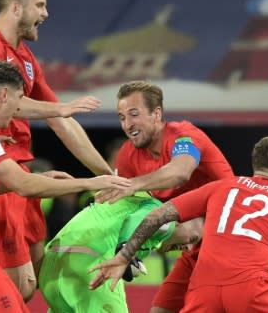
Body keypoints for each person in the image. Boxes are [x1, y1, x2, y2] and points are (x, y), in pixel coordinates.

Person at [0, 0, 113, 301]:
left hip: (21, 177)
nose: (46, 13)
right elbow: (4, 100)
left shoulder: (26, 59)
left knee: (29, 285)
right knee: (12, 289)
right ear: (16, 7)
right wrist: (63, 107)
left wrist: (109, 176)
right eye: (40, 5)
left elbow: (61, 122)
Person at [0, 59, 131, 313]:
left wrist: (46, 177)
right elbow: (24, 184)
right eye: (18, 100)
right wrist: (91, 182)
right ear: (3, 94)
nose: (18, 110)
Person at [90, 136, 268, 313]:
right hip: (253, 289)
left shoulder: (221, 186)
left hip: (203, 290)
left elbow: (157, 216)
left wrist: (125, 255)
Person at [95, 80, 234, 313]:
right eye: (121, 118)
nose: (128, 125)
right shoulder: (128, 155)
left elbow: (180, 172)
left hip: (228, 245)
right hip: (195, 248)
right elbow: (128, 210)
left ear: (156, 113)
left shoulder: (184, 136)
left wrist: (132, 184)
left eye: (134, 114)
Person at [39, 191, 203, 313]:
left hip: (51, 269)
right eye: (193, 239)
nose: (188, 249)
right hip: (90, 266)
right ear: (183, 216)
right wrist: (125, 252)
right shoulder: (164, 218)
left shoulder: (136, 206)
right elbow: (141, 221)